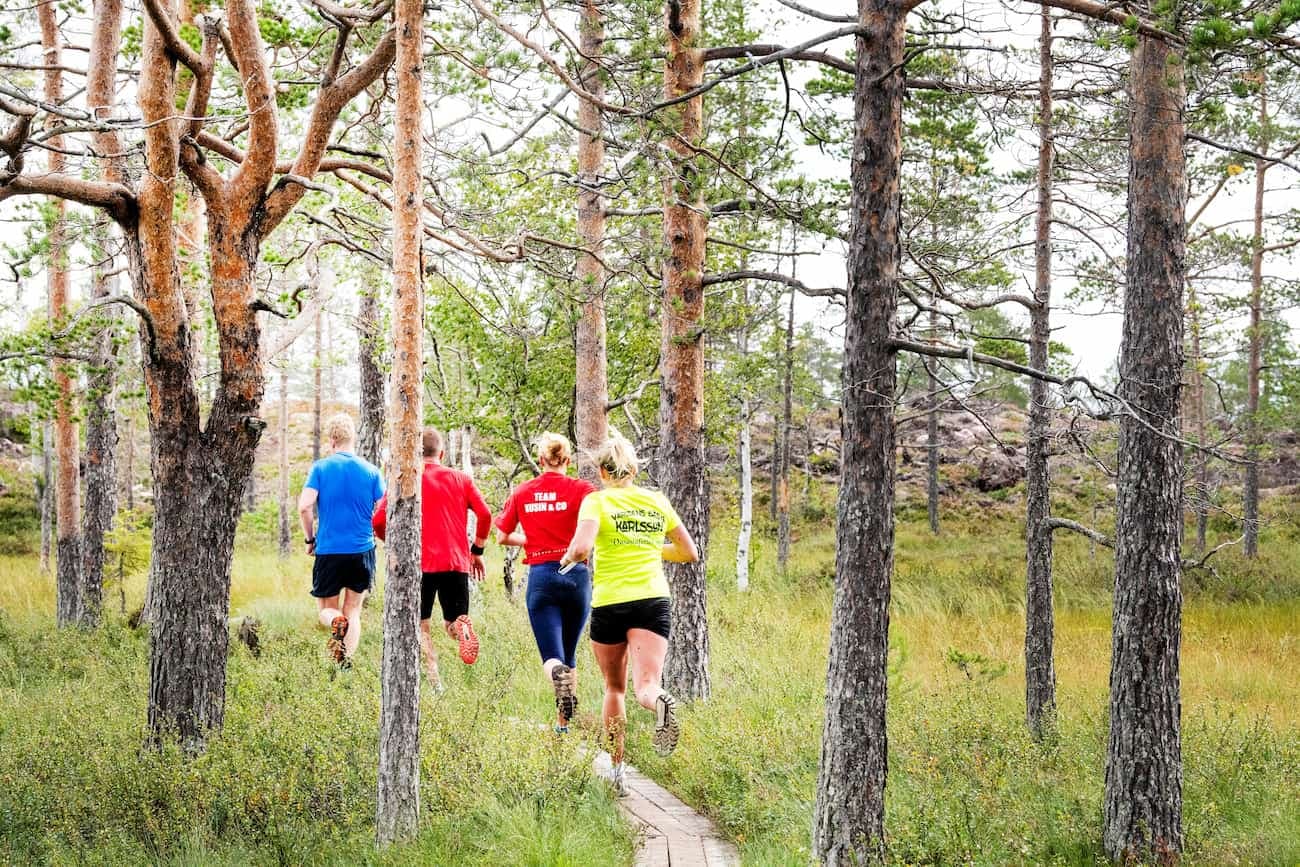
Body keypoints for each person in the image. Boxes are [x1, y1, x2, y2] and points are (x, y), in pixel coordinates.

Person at [560, 433, 698, 795]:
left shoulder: (596, 501)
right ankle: (659, 701)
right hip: (653, 599)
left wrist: (569, 557)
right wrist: (649, 547)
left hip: (611, 602)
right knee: (646, 686)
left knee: (614, 688)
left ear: (602, 472)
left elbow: (582, 547)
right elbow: (689, 552)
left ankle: (618, 772)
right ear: (634, 470)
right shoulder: (657, 501)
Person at [373, 427, 491, 691]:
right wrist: (477, 551)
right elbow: (485, 515)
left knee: (421, 626)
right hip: (455, 563)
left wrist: (394, 546)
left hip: (420, 565)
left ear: (415, 453)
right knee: (453, 622)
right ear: (442, 453)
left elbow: (378, 521)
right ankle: (461, 629)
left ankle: (435, 681)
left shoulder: (405, 479)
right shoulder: (461, 479)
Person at [495, 432, 597, 731]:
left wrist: (532, 540)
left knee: (553, 658)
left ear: (541, 460)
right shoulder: (584, 490)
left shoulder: (523, 491)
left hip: (541, 575)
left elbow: (502, 536)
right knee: (570, 654)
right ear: (567, 460)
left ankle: (556, 677)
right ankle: (563, 727)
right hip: (575, 575)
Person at [298, 413, 385, 668]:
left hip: (329, 550)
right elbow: (384, 509)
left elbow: (304, 507)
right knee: (353, 610)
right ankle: (344, 665)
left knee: (327, 610)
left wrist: (310, 539)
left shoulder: (320, 468)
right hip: (363, 550)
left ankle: (335, 621)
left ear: (332, 440)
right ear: (352, 438)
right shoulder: (372, 471)